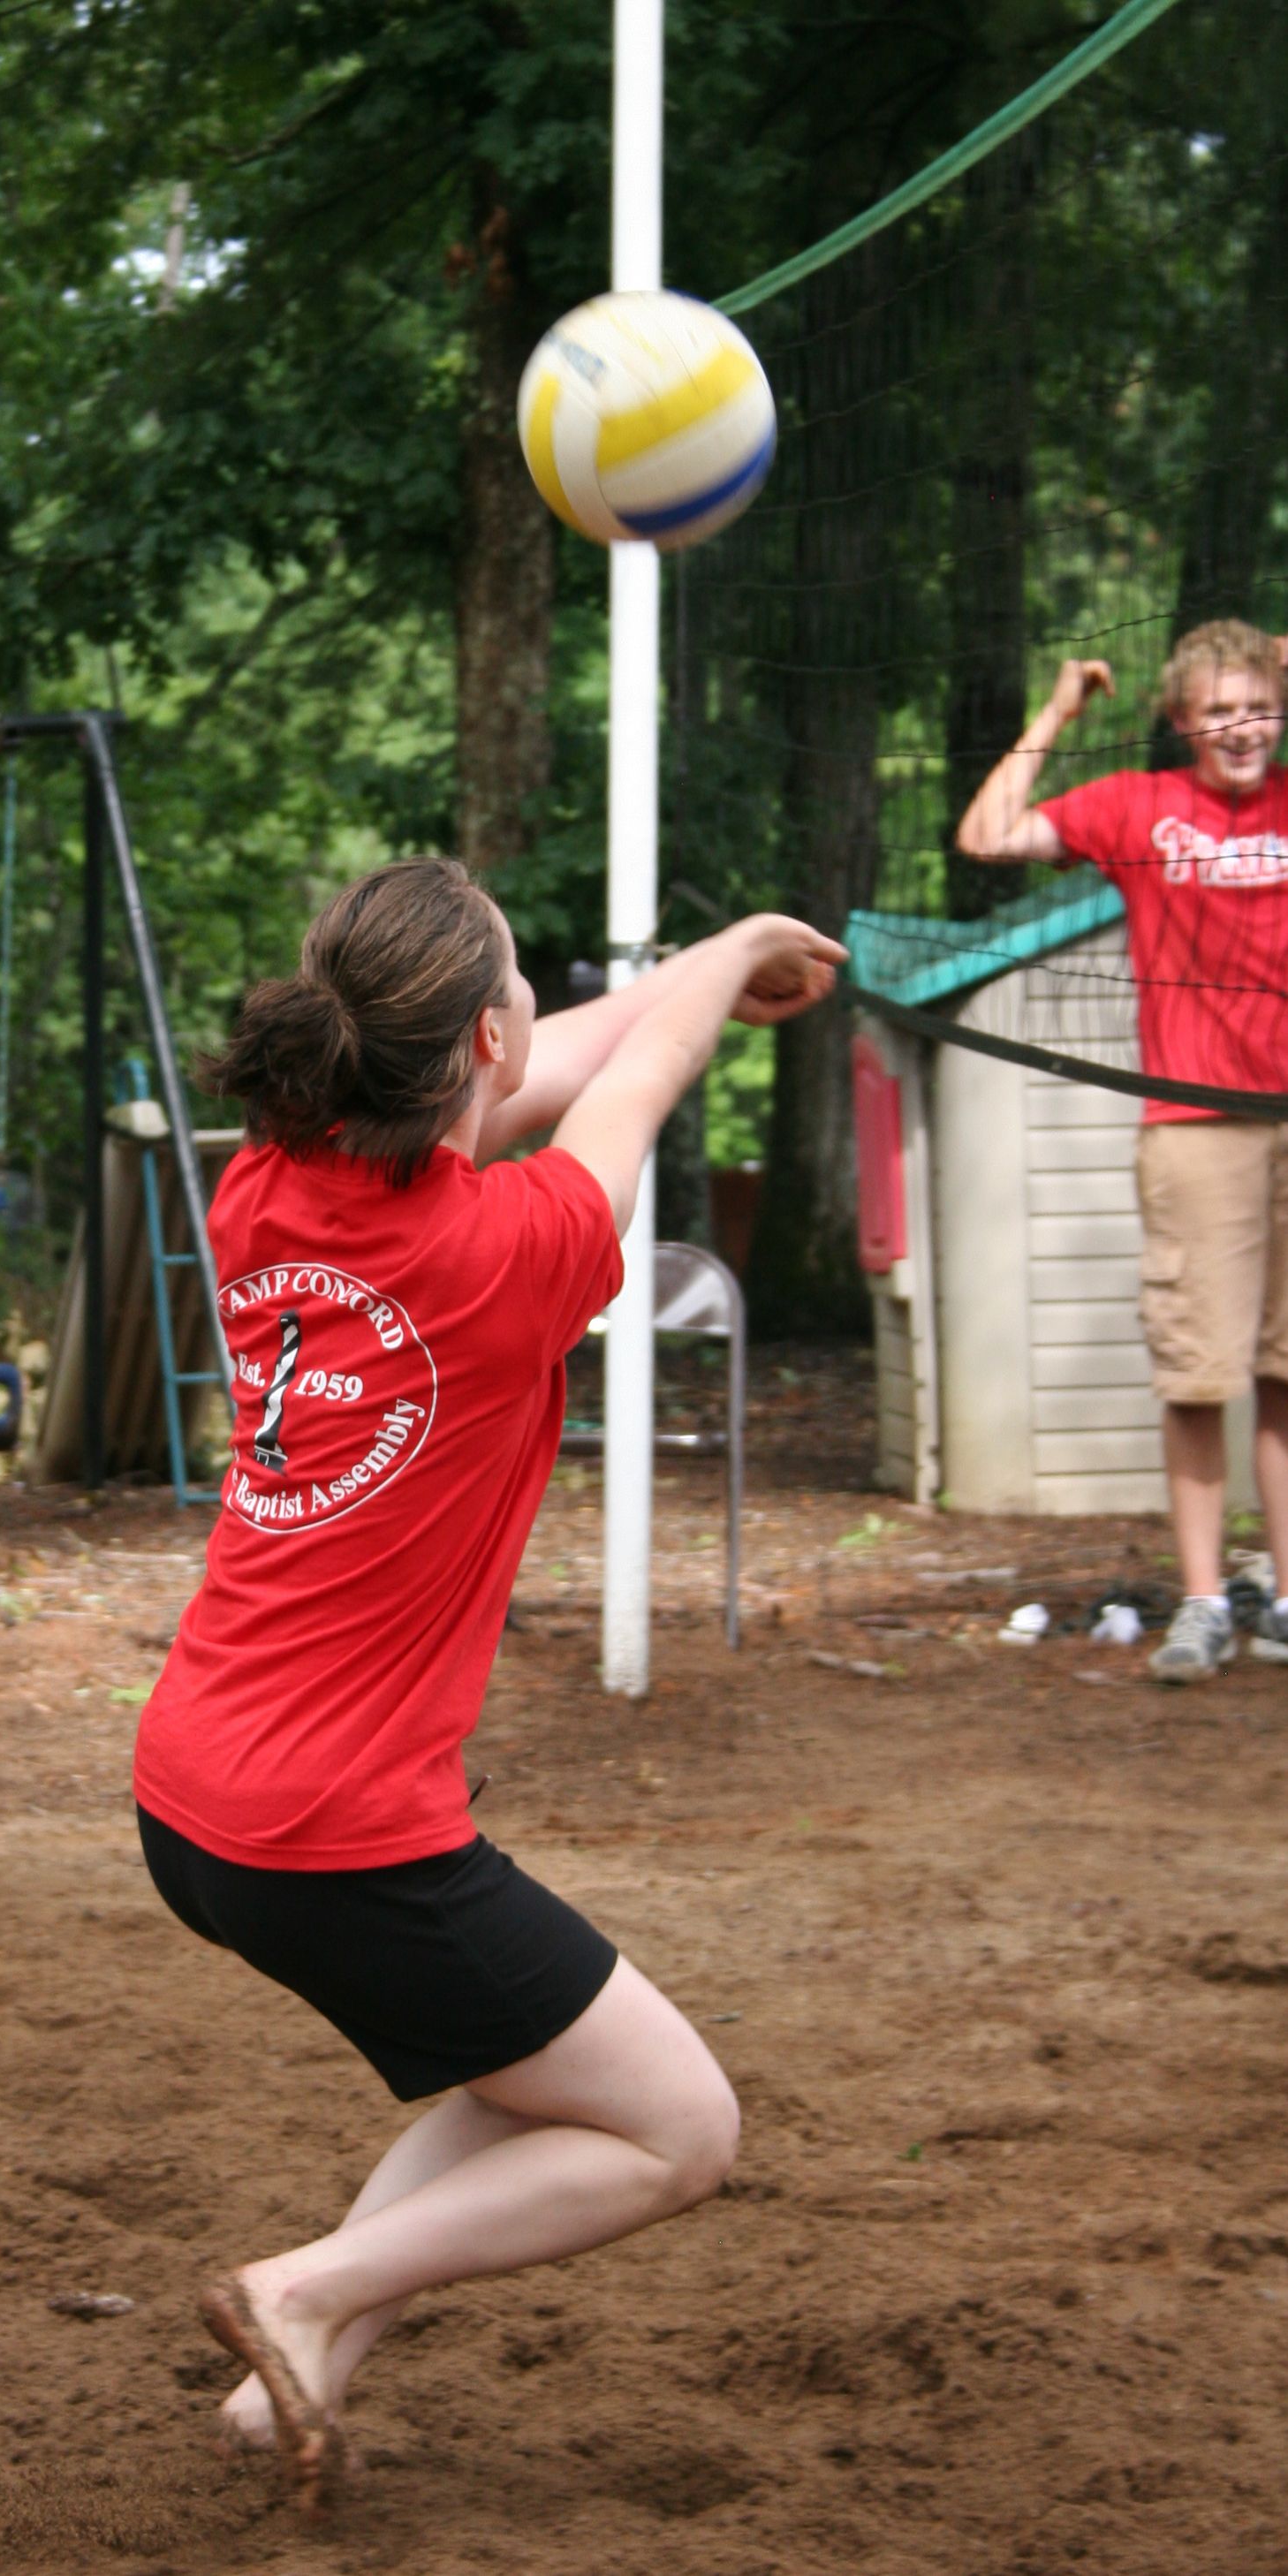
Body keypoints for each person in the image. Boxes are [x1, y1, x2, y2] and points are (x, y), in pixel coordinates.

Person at [133, 858, 844, 2499]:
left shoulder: (264, 1183)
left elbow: (569, 1053)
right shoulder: (510, 1251)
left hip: (194, 1796)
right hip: (334, 1830)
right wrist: (737, 946)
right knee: (677, 2127)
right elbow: (634, 1077)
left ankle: (293, 2373)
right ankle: (298, 2294)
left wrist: (694, 970)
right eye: (521, 987)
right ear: (484, 1042)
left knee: (527, 2073)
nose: (539, 1014)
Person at [955, 618, 1288, 1681]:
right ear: (1182, 720)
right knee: (1199, 1377)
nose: (1243, 727)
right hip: (1196, 1128)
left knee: (1286, 1376)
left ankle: (1284, 1600)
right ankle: (1204, 1602)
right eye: (1220, 710)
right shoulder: (1140, 806)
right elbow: (986, 835)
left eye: (1260, 706)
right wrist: (1058, 710)